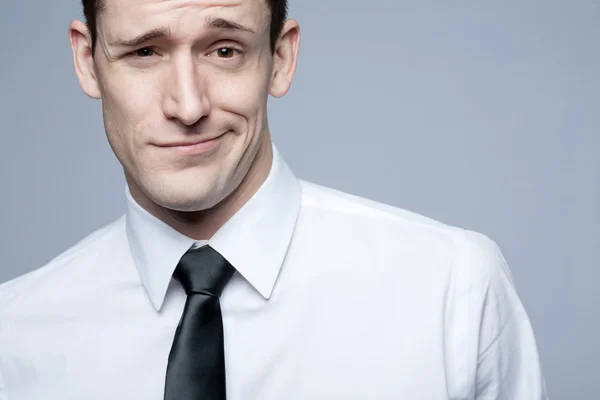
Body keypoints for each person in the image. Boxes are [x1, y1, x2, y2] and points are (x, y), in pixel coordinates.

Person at [0, 0, 548, 399]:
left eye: (224, 49)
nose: (187, 105)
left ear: (281, 57)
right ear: (87, 60)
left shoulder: (452, 288)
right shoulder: (13, 335)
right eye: (145, 51)